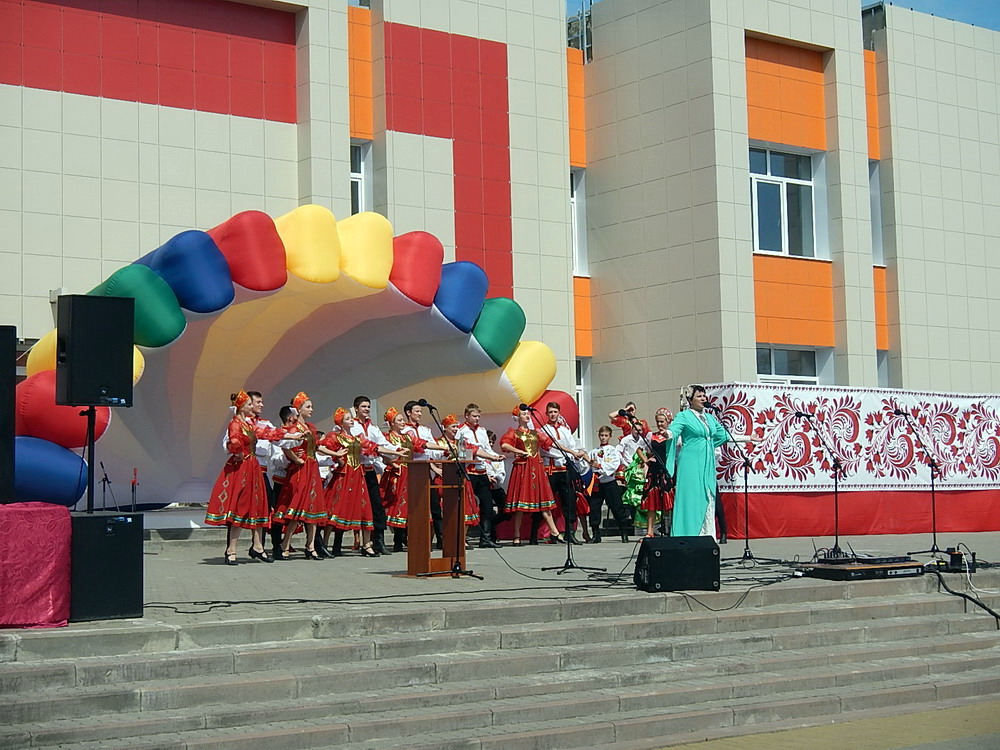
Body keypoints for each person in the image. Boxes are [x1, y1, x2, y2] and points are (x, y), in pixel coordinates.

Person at [666, 385, 760, 539]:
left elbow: (724, 435)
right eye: (699, 396)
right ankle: (688, 536)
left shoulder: (710, 418)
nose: (703, 399)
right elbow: (674, 430)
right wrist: (667, 433)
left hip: (707, 462)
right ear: (690, 399)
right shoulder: (684, 416)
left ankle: (707, 537)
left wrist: (748, 438)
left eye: (704, 396)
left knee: (708, 496)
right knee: (691, 497)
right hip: (690, 462)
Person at [205, 390, 277, 565]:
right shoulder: (236, 423)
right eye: (254, 403)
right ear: (245, 405)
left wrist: (291, 435)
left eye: (258, 403)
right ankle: (232, 549)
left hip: (257, 470)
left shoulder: (257, 424)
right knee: (240, 507)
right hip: (244, 468)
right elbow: (229, 443)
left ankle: (258, 546)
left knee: (261, 507)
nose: (258, 405)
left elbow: (270, 436)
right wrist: (235, 448)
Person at [273, 392, 336, 560]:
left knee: (313, 506)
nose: (311, 409)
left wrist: (336, 453)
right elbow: (286, 447)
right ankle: (285, 545)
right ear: (298, 409)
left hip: (312, 468)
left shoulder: (311, 428)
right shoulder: (294, 428)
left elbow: (318, 447)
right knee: (298, 507)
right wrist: (297, 459)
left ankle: (310, 547)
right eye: (308, 406)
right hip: (301, 470)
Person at [322, 407, 388, 558]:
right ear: (340, 423)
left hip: (358, 475)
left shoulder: (357, 438)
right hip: (343, 476)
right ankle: (325, 544)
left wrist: (396, 453)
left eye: (350, 418)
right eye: (347, 419)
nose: (351, 420)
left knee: (364, 508)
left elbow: (374, 447)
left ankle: (367, 545)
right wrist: (335, 456)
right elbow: (320, 447)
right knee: (336, 508)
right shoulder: (335, 436)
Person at [381, 407, 448, 551]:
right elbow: (381, 452)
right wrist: (390, 461)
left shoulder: (408, 437)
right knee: (398, 504)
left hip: (409, 473)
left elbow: (423, 444)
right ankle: (397, 539)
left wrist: (442, 448)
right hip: (397, 474)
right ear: (392, 423)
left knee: (410, 505)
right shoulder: (386, 437)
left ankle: (407, 538)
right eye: (399, 420)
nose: (402, 422)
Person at [500, 406, 564, 546]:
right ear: (518, 417)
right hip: (523, 468)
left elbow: (551, 444)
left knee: (544, 501)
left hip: (536, 467)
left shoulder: (536, 433)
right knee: (520, 505)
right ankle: (516, 536)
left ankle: (554, 531)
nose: (527, 415)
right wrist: (519, 451)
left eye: (528, 413)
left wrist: (570, 451)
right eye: (524, 414)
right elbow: (504, 444)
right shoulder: (514, 433)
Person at [538, 401, 589, 544]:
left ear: (559, 413)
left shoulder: (565, 430)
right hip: (550, 469)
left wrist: (575, 455)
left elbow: (572, 446)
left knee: (569, 500)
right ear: (547, 414)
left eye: (555, 412)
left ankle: (569, 532)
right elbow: (546, 448)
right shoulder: (543, 430)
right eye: (550, 412)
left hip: (564, 468)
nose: (553, 415)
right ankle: (535, 533)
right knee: (546, 501)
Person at [351, 395, 396, 555]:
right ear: (356, 408)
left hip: (369, 471)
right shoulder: (352, 426)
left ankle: (378, 540)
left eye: (368, 407)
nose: (367, 409)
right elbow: (367, 446)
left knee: (377, 505)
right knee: (350, 506)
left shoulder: (373, 428)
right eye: (363, 406)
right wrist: (389, 451)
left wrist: (396, 451)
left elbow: (383, 443)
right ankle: (337, 543)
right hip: (355, 471)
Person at [455, 403, 504, 547]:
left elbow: (487, 449)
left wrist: (496, 457)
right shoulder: (461, 431)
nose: (477, 419)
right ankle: (461, 538)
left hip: (482, 472)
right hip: (469, 472)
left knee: (488, 505)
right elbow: (465, 452)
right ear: (466, 416)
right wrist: (489, 456)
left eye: (478, 416)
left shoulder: (482, 431)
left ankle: (486, 538)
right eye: (474, 416)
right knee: (467, 505)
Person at [403, 400, 446, 548]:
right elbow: (418, 446)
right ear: (408, 413)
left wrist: (441, 453)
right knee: (415, 506)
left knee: (434, 505)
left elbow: (431, 449)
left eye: (421, 411)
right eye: (417, 411)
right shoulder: (404, 430)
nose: (420, 414)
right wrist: (440, 447)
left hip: (427, 470)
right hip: (412, 471)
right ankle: (410, 538)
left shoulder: (425, 430)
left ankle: (441, 539)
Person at [587, 425, 631, 543]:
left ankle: (624, 532)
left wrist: (599, 467)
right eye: (601, 435)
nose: (603, 438)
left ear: (610, 436)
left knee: (617, 507)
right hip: (597, 483)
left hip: (610, 482)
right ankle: (596, 533)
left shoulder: (613, 451)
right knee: (594, 508)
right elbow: (588, 465)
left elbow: (613, 465)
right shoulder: (593, 452)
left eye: (606, 435)